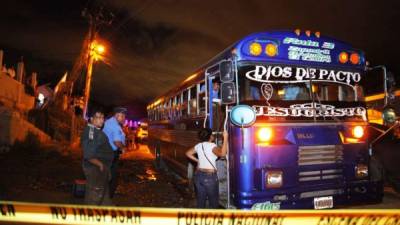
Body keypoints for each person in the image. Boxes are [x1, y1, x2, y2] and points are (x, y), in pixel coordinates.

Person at [185, 128, 228, 208]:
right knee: (214, 203)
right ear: (210, 137)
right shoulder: (212, 146)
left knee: (200, 202)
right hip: (210, 178)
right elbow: (222, 154)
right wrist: (225, 138)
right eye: (212, 134)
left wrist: (198, 161)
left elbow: (188, 153)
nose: (213, 136)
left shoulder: (198, 145)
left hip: (198, 176)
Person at [80, 108, 114, 205]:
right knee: (94, 198)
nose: (101, 120)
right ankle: (90, 217)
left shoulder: (96, 130)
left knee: (103, 197)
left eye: (103, 118)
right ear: (91, 119)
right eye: (98, 117)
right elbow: (88, 154)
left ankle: (105, 215)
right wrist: (100, 165)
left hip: (101, 169)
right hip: (95, 169)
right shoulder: (91, 132)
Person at [103, 107, 127, 198]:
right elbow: (117, 142)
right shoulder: (115, 126)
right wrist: (123, 148)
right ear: (117, 115)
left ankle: (105, 196)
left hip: (106, 153)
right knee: (113, 177)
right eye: (123, 116)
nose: (124, 119)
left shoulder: (109, 122)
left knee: (107, 175)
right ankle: (108, 197)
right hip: (111, 154)